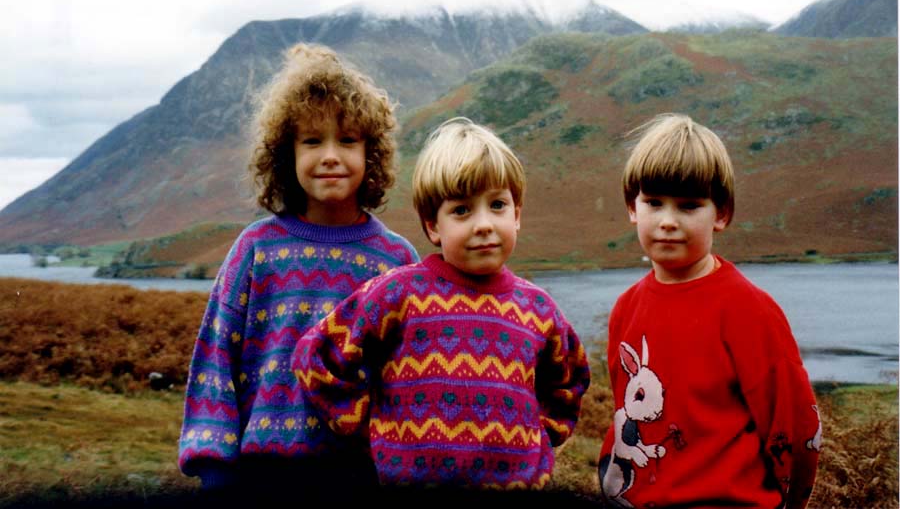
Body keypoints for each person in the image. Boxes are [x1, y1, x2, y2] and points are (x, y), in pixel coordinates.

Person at [292, 116, 591, 490]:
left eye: (497, 205)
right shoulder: (397, 293)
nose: (483, 224)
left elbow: (571, 381)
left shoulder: (539, 309)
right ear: (433, 225)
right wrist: (372, 428)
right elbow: (316, 357)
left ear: (516, 216)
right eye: (462, 210)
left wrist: (540, 438)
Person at [177, 44, 419, 495]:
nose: (330, 155)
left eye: (347, 140)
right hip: (260, 478)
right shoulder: (255, 249)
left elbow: (409, 377)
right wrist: (214, 467)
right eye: (312, 140)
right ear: (286, 153)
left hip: (361, 478)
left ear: (372, 153)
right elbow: (215, 359)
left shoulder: (397, 261)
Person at [597, 113, 820, 508]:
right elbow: (624, 412)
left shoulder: (749, 311)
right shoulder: (625, 308)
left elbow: (796, 427)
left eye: (688, 206)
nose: (667, 221)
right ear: (633, 207)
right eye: (653, 203)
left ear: (721, 214)